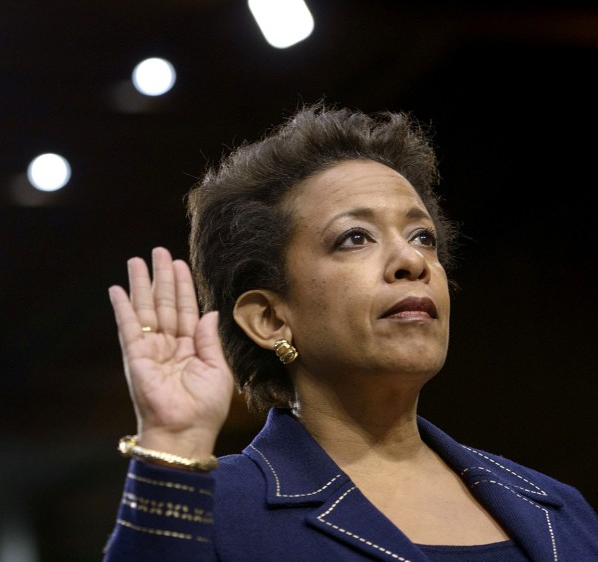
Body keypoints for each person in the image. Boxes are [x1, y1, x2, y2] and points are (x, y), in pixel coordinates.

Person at [101, 101, 598, 561]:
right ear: (270, 318)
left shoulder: (559, 509)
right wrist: (172, 442)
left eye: (422, 236)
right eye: (354, 238)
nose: (411, 261)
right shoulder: (213, 511)